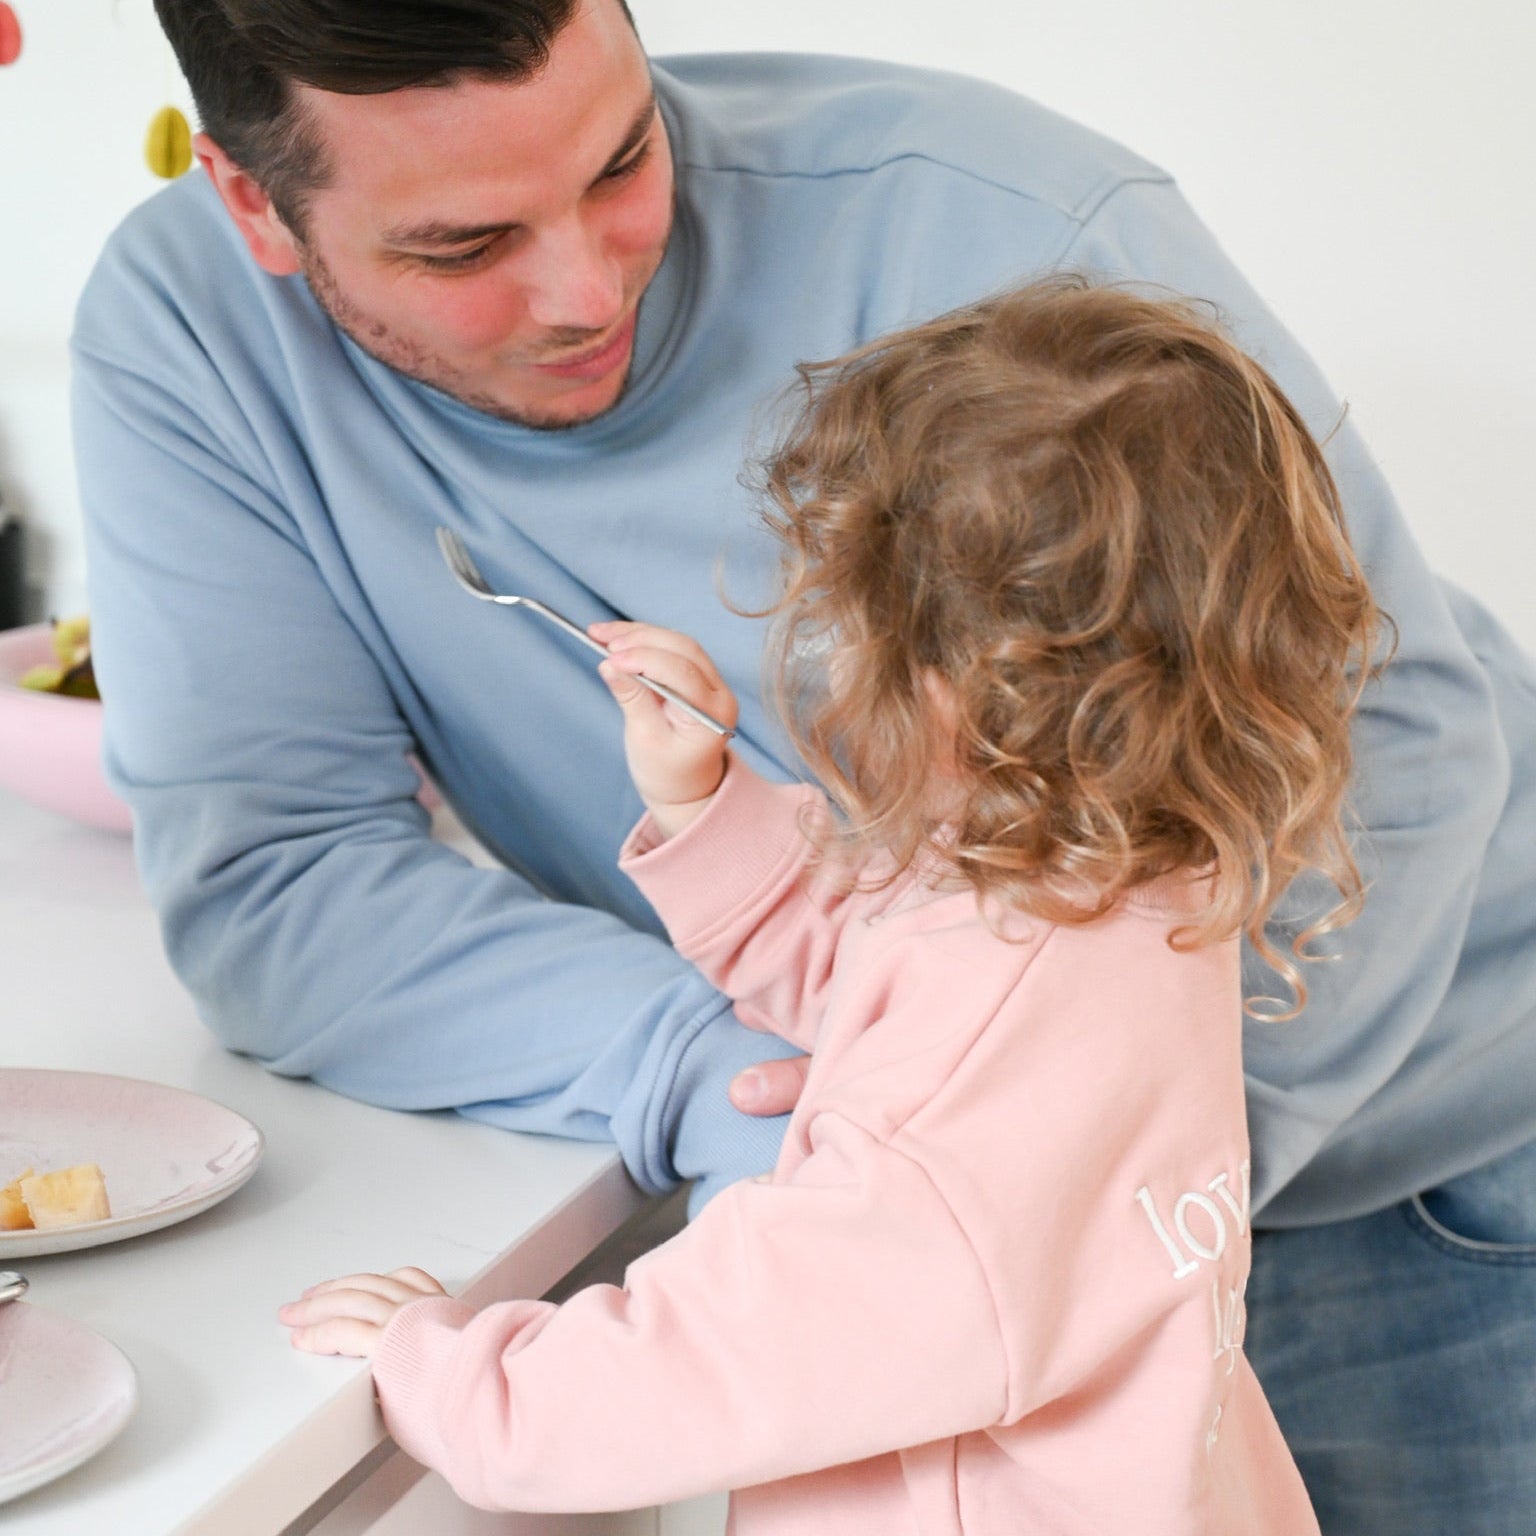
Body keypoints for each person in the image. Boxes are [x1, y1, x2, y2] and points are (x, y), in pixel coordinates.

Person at [75, 3, 1536, 1530]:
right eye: (465, 244)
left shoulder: (1019, 235)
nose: (587, 290)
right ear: (254, 202)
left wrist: (446, 1364)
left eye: (624, 159)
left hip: (1406, 1163)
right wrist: (722, 925)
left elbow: (680, 1375)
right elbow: (912, 970)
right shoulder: (1032, 955)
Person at [279, 278, 1379, 1532]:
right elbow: (898, 964)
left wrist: (456, 1375)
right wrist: (705, 806)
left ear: (945, 680)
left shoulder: (965, 1084)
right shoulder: (1135, 886)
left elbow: (716, 1357)